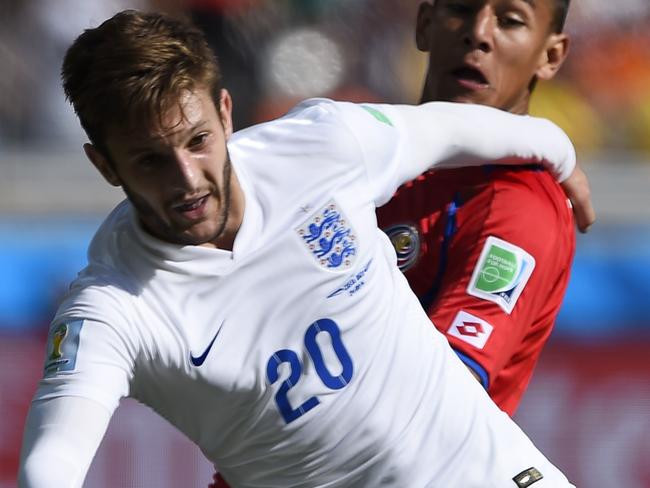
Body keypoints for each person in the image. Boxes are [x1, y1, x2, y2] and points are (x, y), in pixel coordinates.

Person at [18, 10, 588, 488]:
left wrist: (560, 154)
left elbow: (460, 129)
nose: (188, 179)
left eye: (198, 142)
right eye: (150, 160)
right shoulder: (114, 309)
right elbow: (52, 464)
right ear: (105, 166)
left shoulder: (321, 144)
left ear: (224, 112)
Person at [377, 0, 594, 416]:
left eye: (510, 21)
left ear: (550, 56)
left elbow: (438, 396)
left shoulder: (517, 205)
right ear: (424, 24)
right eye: (461, 7)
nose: (478, 32)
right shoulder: (367, 156)